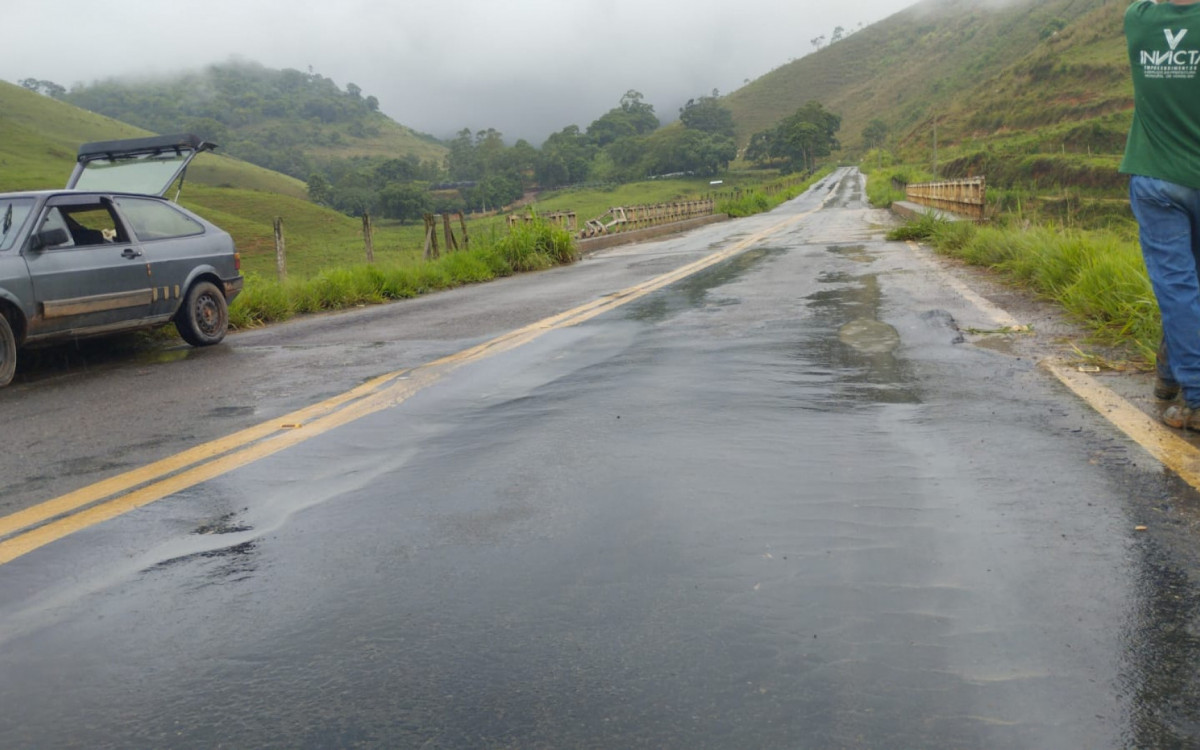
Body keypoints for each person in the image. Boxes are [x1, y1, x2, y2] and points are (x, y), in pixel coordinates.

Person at [1121, 0, 1200, 428]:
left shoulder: (1139, 21)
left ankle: (1193, 392)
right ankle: (1174, 376)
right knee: (1190, 286)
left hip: (1156, 179)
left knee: (1178, 286)